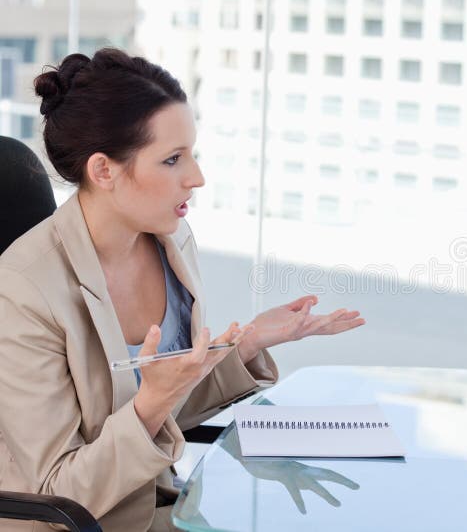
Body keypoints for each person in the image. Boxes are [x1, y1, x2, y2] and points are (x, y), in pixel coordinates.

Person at [0, 48, 364, 531]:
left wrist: (247, 343)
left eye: (191, 153)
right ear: (104, 171)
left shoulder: (171, 241)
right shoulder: (25, 288)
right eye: (172, 159)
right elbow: (55, 495)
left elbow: (170, 409)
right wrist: (151, 405)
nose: (196, 178)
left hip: (167, 507)